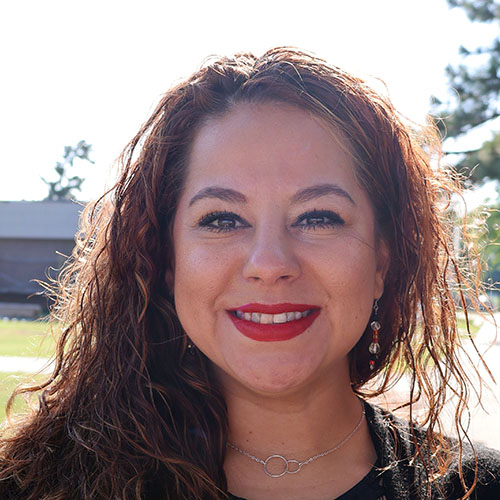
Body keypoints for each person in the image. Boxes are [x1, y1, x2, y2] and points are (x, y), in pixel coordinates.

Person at [1, 47, 499, 500]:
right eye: (221, 219)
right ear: (167, 263)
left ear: (382, 264)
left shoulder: (478, 486)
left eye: (319, 217)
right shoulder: (34, 485)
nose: (269, 263)